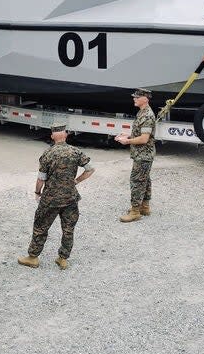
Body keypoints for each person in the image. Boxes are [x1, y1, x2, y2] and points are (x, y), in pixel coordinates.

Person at [18, 123, 95, 270]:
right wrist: (76, 181)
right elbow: (90, 169)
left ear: (52, 136)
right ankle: (63, 259)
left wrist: (37, 192)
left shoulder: (47, 154)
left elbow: (41, 178)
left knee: (40, 227)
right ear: (66, 135)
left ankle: (33, 257)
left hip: (50, 199)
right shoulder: (76, 152)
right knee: (68, 229)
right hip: (70, 198)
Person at [114, 88, 156, 222]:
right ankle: (144, 207)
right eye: (134, 97)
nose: (134, 99)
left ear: (145, 99)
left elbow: (144, 139)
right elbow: (142, 135)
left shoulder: (147, 115)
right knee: (145, 180)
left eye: (137, 97)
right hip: (142, 154)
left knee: (137, 181)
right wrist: (128, 135)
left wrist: (127, 141)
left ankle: (135, 211)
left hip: (143, 155)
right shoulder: (142, 112)